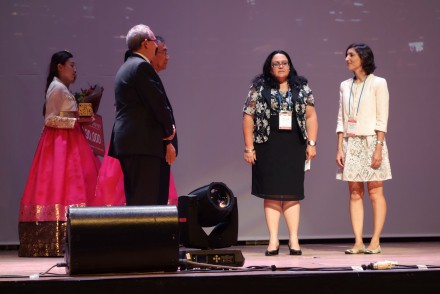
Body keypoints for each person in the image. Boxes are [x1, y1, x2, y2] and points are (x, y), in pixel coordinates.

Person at [18, 51, 100, 257]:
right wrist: (75, 121)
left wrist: (81, 116)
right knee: (62, 184)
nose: (75, 70)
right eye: (71, 65)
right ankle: (61, 239)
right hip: (60, 144)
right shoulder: (56, 88)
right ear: (59, 67)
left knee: (76, 183)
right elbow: (50, 120)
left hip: (70, 142)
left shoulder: (62, 88)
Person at [242, 50, 318, 256]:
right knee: (272, 193)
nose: (281, 66)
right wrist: (249, 147)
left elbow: (311, 117)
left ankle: (294, 239)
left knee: (293, 193)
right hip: (267, 145)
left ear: (290, 65)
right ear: (270, 67)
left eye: (285, 62)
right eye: (276, 63)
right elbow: (248, 117)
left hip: (295, 144)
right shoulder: (258, 88)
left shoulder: (302, 87)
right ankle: (273, 240)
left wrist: (311, 143)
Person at [95, 35, 178, 206]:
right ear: (146, 44)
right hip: (143, 146)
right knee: (146, 205)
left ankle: (144, 233)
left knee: (141, 203)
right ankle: (145, 234)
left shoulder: (128, 67)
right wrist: (169, 136)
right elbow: (158, 106)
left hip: (137, 146)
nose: (163, 53)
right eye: (160, 48)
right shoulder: (141, 67)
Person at [336, 43, 392, 254]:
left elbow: (382, 118)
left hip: (372, 141)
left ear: (363, 58)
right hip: (351, 142)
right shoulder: (344, 85)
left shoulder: (379, 83)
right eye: (346, 54)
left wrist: (378, 147)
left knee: (375, 191)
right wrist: (340, 147)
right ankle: (358, 241)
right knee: (354, 193)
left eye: (351, 55)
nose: (347, 59)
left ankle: (375, 240)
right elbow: (341, 117)